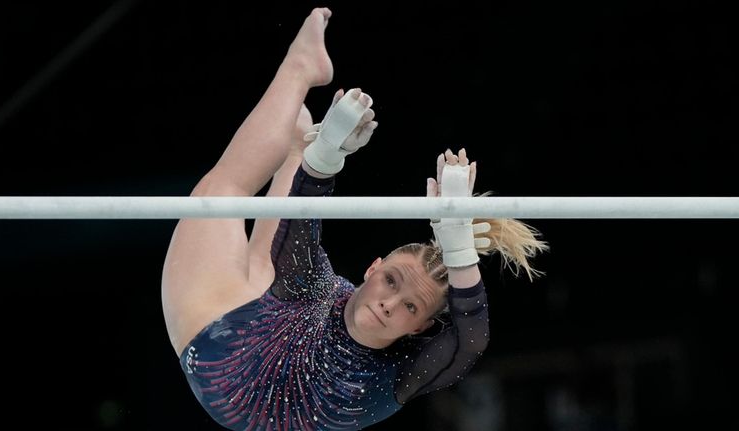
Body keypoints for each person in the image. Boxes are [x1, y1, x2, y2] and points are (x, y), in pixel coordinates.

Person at [161, 8, 547, 430]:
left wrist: (458, 243)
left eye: (410, 307)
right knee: (223, 196)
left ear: (421, 327)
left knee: (236, 206)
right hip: (271, 308)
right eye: (392, 282)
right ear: (373, 267)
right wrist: (326, 158)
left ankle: (300, 142)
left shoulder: (401, 372)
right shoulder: (314, 285)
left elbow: (472, 342)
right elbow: (299, 225)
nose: (389, 303)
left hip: (219, 346)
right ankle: (300, 73)